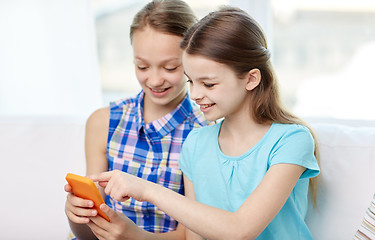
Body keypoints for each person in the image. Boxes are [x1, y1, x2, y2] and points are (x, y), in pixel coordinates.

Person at [90, 6, 321, 240]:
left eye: (208, 84)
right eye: (191, 81)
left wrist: (146, 190)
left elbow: (240, 230)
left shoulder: (292, 140)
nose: (195, 94)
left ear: (251, 79)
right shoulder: (196, 144)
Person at [64, 0, 210, 239]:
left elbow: (193, 235)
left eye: (170, 67)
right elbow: (88, 231)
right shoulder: (103, 122)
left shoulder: (203, 134)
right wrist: (75, 214)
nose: (154, 80)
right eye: (142, 66)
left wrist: (132, 236)